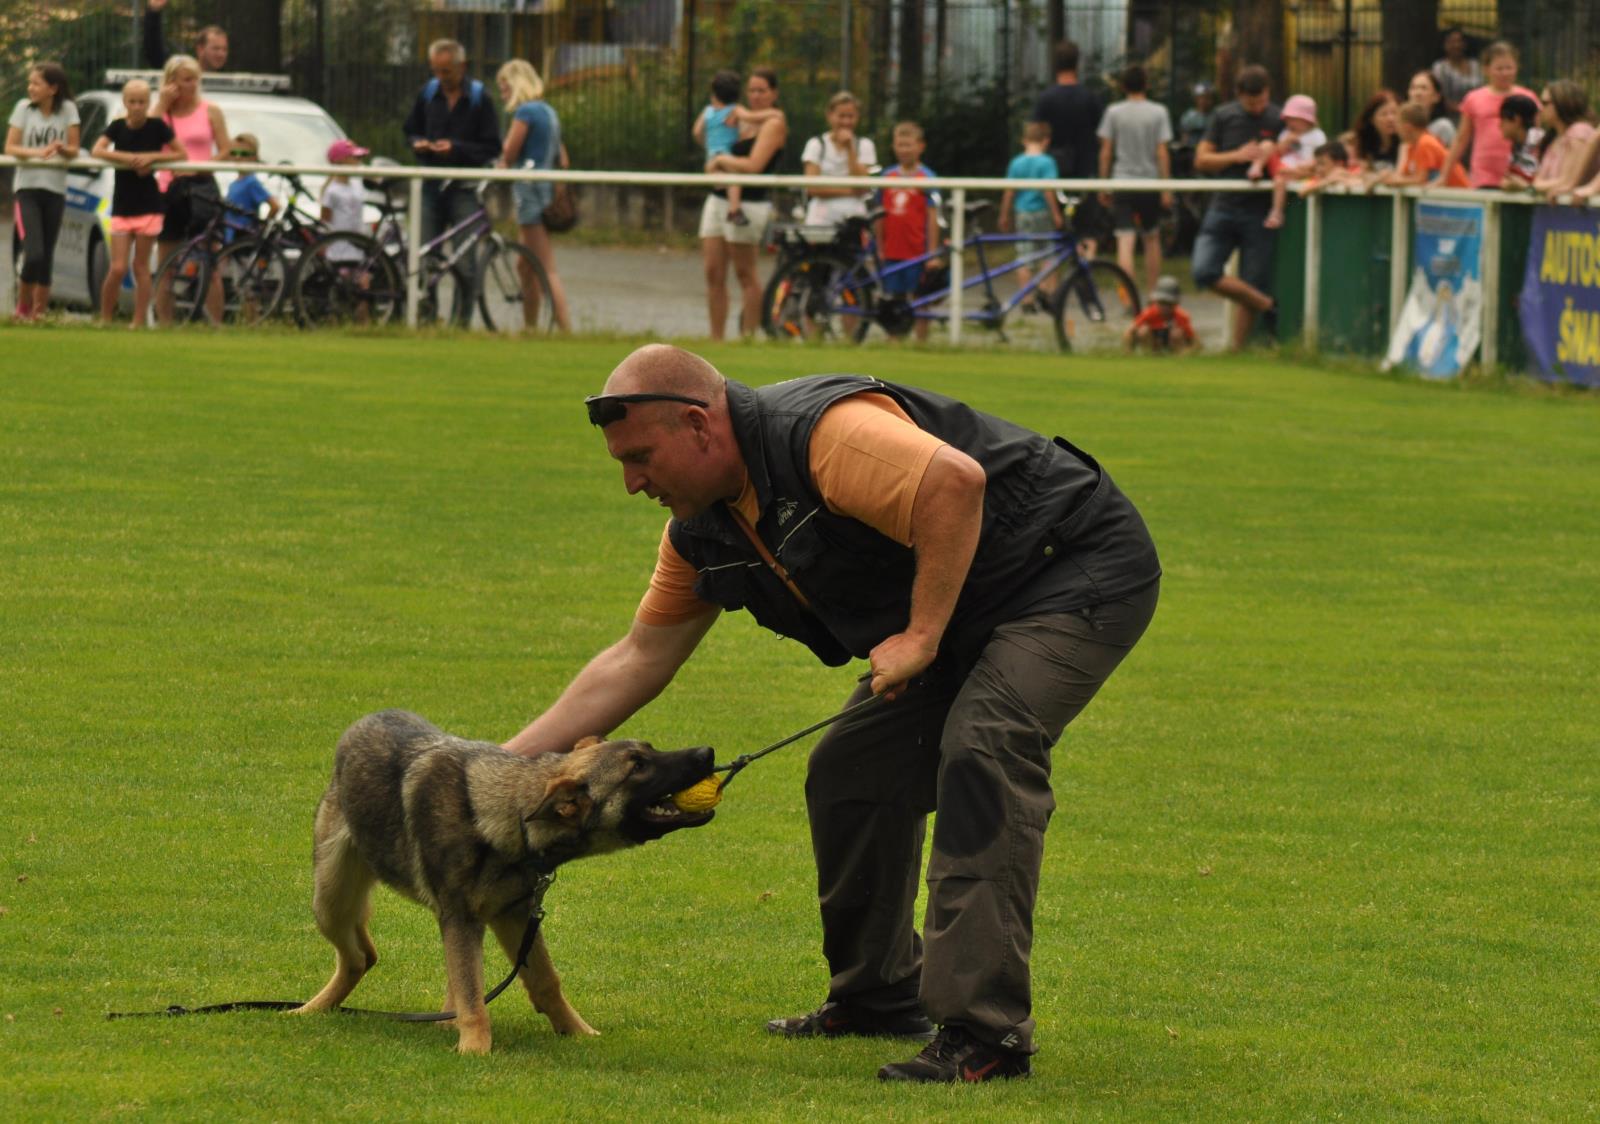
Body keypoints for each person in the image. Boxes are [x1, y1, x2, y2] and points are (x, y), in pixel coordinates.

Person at [503, 343, 1162, 1085]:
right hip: (965, 603)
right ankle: (878, 994)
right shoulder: (703, 533)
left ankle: (986, 1034)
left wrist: (920, 636)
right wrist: (495, 767)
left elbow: (954, 482)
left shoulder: (819, 433)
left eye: (641, 457)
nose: (631, 483)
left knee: (984, 749)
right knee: (851, 772)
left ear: (698, 424)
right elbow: (637, 659)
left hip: (1068, 568)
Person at [1192, 64, 1281, 349]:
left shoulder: (1279, 118)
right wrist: (1236, 156)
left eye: (1262, 101)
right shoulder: (1223, 116)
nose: (1257, 108)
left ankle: (1236, 351)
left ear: (1268, 93)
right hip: (1224, 205)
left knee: (1252, 280)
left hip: (1260, 211)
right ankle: (1267, 305)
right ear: (1239, 96)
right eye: (1251, 103)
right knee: (1204, 271)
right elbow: (1202, 160)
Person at [701, 68, 787, 340]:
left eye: (762, 90)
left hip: (749, 204)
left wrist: (720, 161)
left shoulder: (773, 123)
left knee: (745, 273)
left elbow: (753, 166)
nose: (756, 96)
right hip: (719, 199)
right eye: (752, 90)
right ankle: (717, 340)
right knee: (713, 272)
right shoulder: (738, 117)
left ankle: (747, 337)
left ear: (774, 93)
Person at [92, 77, 183, 327]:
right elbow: (97, 150)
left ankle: (138, 320)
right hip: (123, 204)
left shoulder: (157, 126)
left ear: (149, 102)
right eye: (132, 101)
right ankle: (105, 318)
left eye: (142, 102)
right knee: (118, 267)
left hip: (149, 204)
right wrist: (127, 158)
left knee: (141, 265)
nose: (137, 106)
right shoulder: (117, 126)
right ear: (125, 102)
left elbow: (180, 152)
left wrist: (150, 158)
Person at [150, 54, 230, 326]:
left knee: (209, 260)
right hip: (170, 188)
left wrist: (200, 167)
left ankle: (217, 323)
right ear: (172, 82)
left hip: (202, 188)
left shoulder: (210, 111)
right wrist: (161, 103)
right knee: (167, 261)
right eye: (187, 79)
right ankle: (165, 324)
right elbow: (143, 135)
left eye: (196, 79)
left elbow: (226, 150)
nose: (193, 84)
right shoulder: (163, 113)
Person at [402, 39, 502, 250]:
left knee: (465, 262)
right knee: (422, 253)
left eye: (446, 71)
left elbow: (492, 147)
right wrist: (417, 143)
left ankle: (466, 284)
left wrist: (456, 149)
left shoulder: (480, 98)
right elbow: (410, 130)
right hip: (430, 186)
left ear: (462, 66)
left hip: (464, 188)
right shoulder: (427, 93)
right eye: (435, 71)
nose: (440, 77)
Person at [495, 58, 573, 332]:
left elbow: (509, 153)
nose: (503, 94)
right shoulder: (548, 112)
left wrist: (502, 163)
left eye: (504, 88)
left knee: (544, 266)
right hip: (546, 187)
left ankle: (565, 329)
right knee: (524, 264)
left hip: (529, 191)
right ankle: (530, 327)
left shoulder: (525, 112)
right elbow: (562, 157)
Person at [5, 62, 79, 320]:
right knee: (33, 252)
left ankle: (40, 312)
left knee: (47, 254)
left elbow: (74, 148)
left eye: (36, 83)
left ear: (53, 88)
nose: (30, 88)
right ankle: (22, 308)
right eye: (30, 82)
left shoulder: (68, 110)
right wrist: (39, 152)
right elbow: (11, 148)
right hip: (27, 190)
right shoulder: (23, 109)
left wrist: (61, 148)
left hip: (55, 191)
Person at [1095, 64, 1173, 294]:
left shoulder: (1114, 112)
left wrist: (1103, 183)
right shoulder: (1159, 112)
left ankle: (1128, 298)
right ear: (1147, 84)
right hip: (1149, 182)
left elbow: (1106, 151)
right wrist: (1166, 187)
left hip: (1122, 181)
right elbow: (1162, 152)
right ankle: (1153, 294)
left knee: (1125, 241)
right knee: (1151, 238)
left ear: (1122, 87)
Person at [1032, 40, 1104, 251]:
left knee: (1054, 229)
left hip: (1053, 172)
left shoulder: (1046, 100)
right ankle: (1085, 275)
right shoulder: (1090, 98)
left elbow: (1035, 137)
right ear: (1077, 64)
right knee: (1087, 230)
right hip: (1085, 172)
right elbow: (1102, 136)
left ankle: (1053, 277)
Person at [1439, 42, 1537, 189]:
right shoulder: (1473, 98)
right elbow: (1461, 139)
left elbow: (1535, 137)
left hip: (1518, 176)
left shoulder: (1528, 97)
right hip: (1483, 174)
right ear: (1486, 69)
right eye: (1499, 68)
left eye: (1509, 68)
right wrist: (1444, 176)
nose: (1504, 73)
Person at [875, 121, 938, 342]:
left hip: (917, 249)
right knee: (894, 299)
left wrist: (932, 251)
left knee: (921, 298)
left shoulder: (926, 178)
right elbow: (879, 215)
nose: (904, 150)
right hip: (893, 249)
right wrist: (880, 246)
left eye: (909, 145)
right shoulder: (887, 177)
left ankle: (922, 342)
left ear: (920, 146)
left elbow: (932, 216)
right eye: (900, 145)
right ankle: (895, 340)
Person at [1000, 121, 1064, 312]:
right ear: (1046, 141)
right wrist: (1056, 213)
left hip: (1023, 213)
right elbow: (1048, 190)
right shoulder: (1047, 162)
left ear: (1024, 140)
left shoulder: (1016, 162)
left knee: (1024, 256)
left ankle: (1026, 300)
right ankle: (1047, 292)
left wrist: (1004, 214)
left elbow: (1009, 191)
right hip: (1042, 212)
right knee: (1049, 253)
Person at [801, 91, 877, 227]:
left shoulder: (865, 145)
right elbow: (812, 188)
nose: (846, 121)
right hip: (820, 219)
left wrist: (850, 149)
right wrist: (851, 191)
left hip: (854, 218)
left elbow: (863, 186)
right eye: (841, 116)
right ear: (830, 116)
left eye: (851, 116)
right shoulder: (816, 144)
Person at [694, 70, 752, 226]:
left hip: (711, 156)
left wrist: (707, 145)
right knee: (734, 179)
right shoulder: (735, 110)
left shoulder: (707, 111)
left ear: (714, 93)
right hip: (726, 155)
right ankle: (734, 210)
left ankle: (729, 208)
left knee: (722, 183)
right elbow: (747, 127)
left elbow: (697, 131)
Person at [1261, 95, 1325, 229]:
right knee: (1279, 179)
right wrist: (1286, 142)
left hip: (1306, 172)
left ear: (1306, 120)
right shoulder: (1285, 133)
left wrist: (1303, 168)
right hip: (1284, 171)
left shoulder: (1317, 136)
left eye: (1294, 119)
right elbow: (1279, 152)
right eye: (1288, 119)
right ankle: (1277, 212)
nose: (1290, 123)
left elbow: (1321, 158)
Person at [1379, 103, 1470, 189]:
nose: (1397, 131)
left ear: (1407, 127)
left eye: (1398, 125)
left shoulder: (1425, 142)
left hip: (1460, 196)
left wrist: (1395, 181)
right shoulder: (1412, 146)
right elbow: (1405, 175)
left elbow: (1420, 180)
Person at [1530, 81, 1596, 199]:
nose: (1540, 108)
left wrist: (1536, 186)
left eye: (1545, 103)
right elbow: (1539, 180)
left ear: (1563, 103)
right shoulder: (1554, 137)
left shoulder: (1579, 132)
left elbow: (1567, 180)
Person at [142, 0, 228, 72]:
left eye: (224, 49)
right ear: (200, 49)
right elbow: (155, 53)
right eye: (216, 48)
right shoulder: (183, 73)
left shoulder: (230, 83)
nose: (221, 54)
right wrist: (153, 12)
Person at [222, 132, 279, 242]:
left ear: (254, 157)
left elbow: (275, 206)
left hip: (243, 236)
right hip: (230, 235)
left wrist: (263, 228)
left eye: (244, 154)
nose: (238, 157)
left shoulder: (251, 182)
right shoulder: (234, 183)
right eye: (234, 153)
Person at [1124, 275, 1198, 352]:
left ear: (1175, 303)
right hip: (1153, 342)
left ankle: (1176, 357)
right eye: (1161, 303)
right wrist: (1128, 351)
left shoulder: (1182, 316)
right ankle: (1149, 355)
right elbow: (1129, 331)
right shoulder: (1149, 313)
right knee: (1143, 331)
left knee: (1177, 334)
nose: (1165, 307)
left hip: (1173, 345)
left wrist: (1188, 351)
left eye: (1169, 303)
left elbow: (1195, 340)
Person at [1431, 27, 1482, 115]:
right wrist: (1463, 110)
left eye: (1459, 41)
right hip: (1450, 117)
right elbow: (1440, 96)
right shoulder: (1440, 68)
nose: (1456, 45)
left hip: (1476, 114)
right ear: (1444, 45)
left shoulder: (1475, 65)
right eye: (1451, 42)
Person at [1350, 90, 1402, 174]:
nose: (1390, 119)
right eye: (1384, 114)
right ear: (1371, 119)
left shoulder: (1407, 143)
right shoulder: (1362, 142)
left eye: (1394, 113)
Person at [1497, 94, 1541, 190]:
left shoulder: (1538, 143)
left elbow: (1528, 181)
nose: (1499, 126)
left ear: (1517, 120)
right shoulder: (1517, 144)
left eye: (1503, 120)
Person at [1407, 69, 1456, 148]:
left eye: (1424, 88)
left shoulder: (1443, 127)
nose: (1417, 93)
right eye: (1413, 88)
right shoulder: (1405, 125)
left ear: (1436, 97)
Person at [1178, 81, 1216, 148]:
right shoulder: (1188, 116)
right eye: (1202, 97)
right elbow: (1184, 137)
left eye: (1208, 97)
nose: (1204, 100)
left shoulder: (1216, 115)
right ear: (1196, 98)